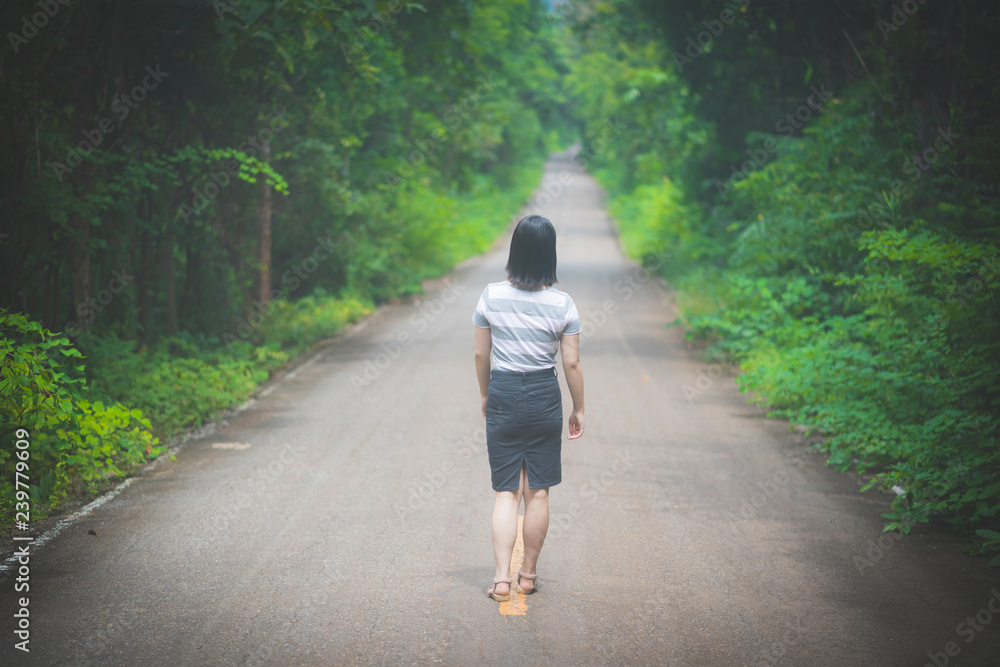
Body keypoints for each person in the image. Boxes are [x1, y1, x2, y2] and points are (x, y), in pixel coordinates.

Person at [472, 214, 585, 602]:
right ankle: (528, 576)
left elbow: (478, 354)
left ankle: (501, 579)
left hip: (503, 390)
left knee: (506, 492)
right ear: (549, 254)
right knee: (537, 491)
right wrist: (579, 407)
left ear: (514, 249)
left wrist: (487, 393)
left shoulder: (491, 296)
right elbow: (570, 363)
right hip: (543, 394)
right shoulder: (562, 304)